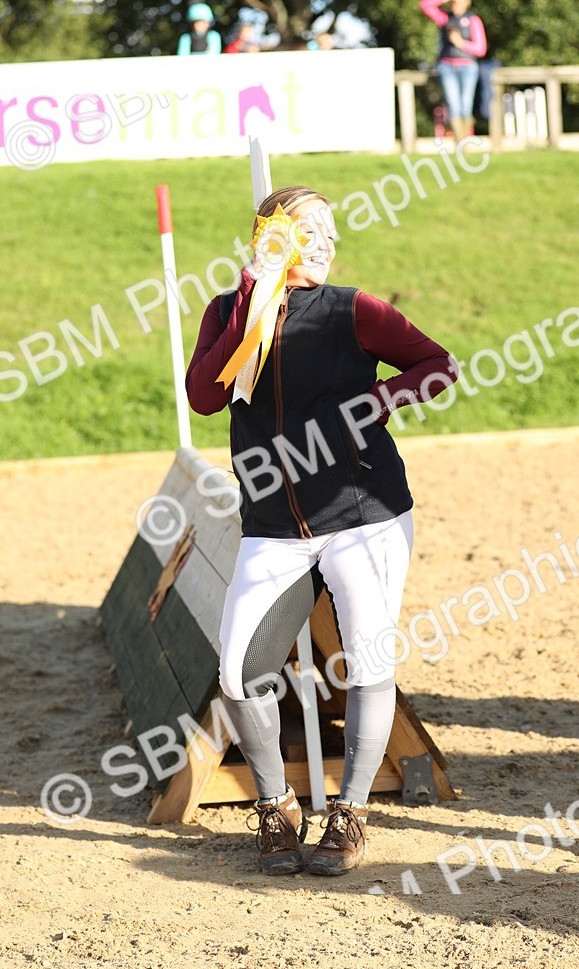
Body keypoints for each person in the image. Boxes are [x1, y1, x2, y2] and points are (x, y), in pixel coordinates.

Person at [185, 187, 458, 877]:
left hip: (365, 516)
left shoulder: (354, 309)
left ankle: (351, 814)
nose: (328, 239)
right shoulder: (229, 312)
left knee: (368, 660)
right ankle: (275, 808)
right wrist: (250, 304)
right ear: (273, 238)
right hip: (272, 526)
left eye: (333, 229)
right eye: (311, 229)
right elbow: (204, 395)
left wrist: (378, 401)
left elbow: (437, 365)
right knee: (240, 671)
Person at [419, 0, 487, 141]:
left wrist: (461, 44)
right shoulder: (444, 18)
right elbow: (425, 5)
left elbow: (481, 49)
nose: (455, 4)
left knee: (465, 106)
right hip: (447, 67)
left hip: (468, 67)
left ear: (466, 2)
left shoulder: (473, 20)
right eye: (453, 2)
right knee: (453, 105)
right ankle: (459, 143)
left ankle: (467, 141)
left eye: (459, 1)